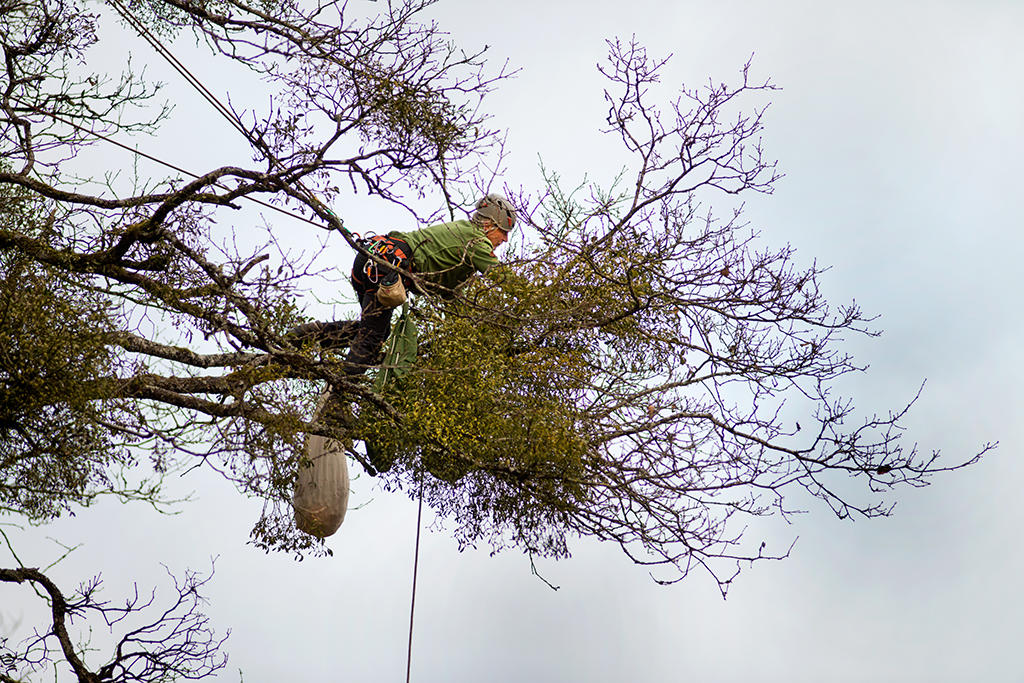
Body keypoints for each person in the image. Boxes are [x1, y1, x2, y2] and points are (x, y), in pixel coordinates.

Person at [288, 193, 517, 375]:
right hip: (387, 266)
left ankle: (311, 334)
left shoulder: (463, 236)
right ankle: (338, 398)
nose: (505, 239)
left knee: (375, 330)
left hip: (372, 260)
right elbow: (509, 282)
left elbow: (451, 296)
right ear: (488, 225)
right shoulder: (477, 242)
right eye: (503, 232)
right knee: (372, 338)